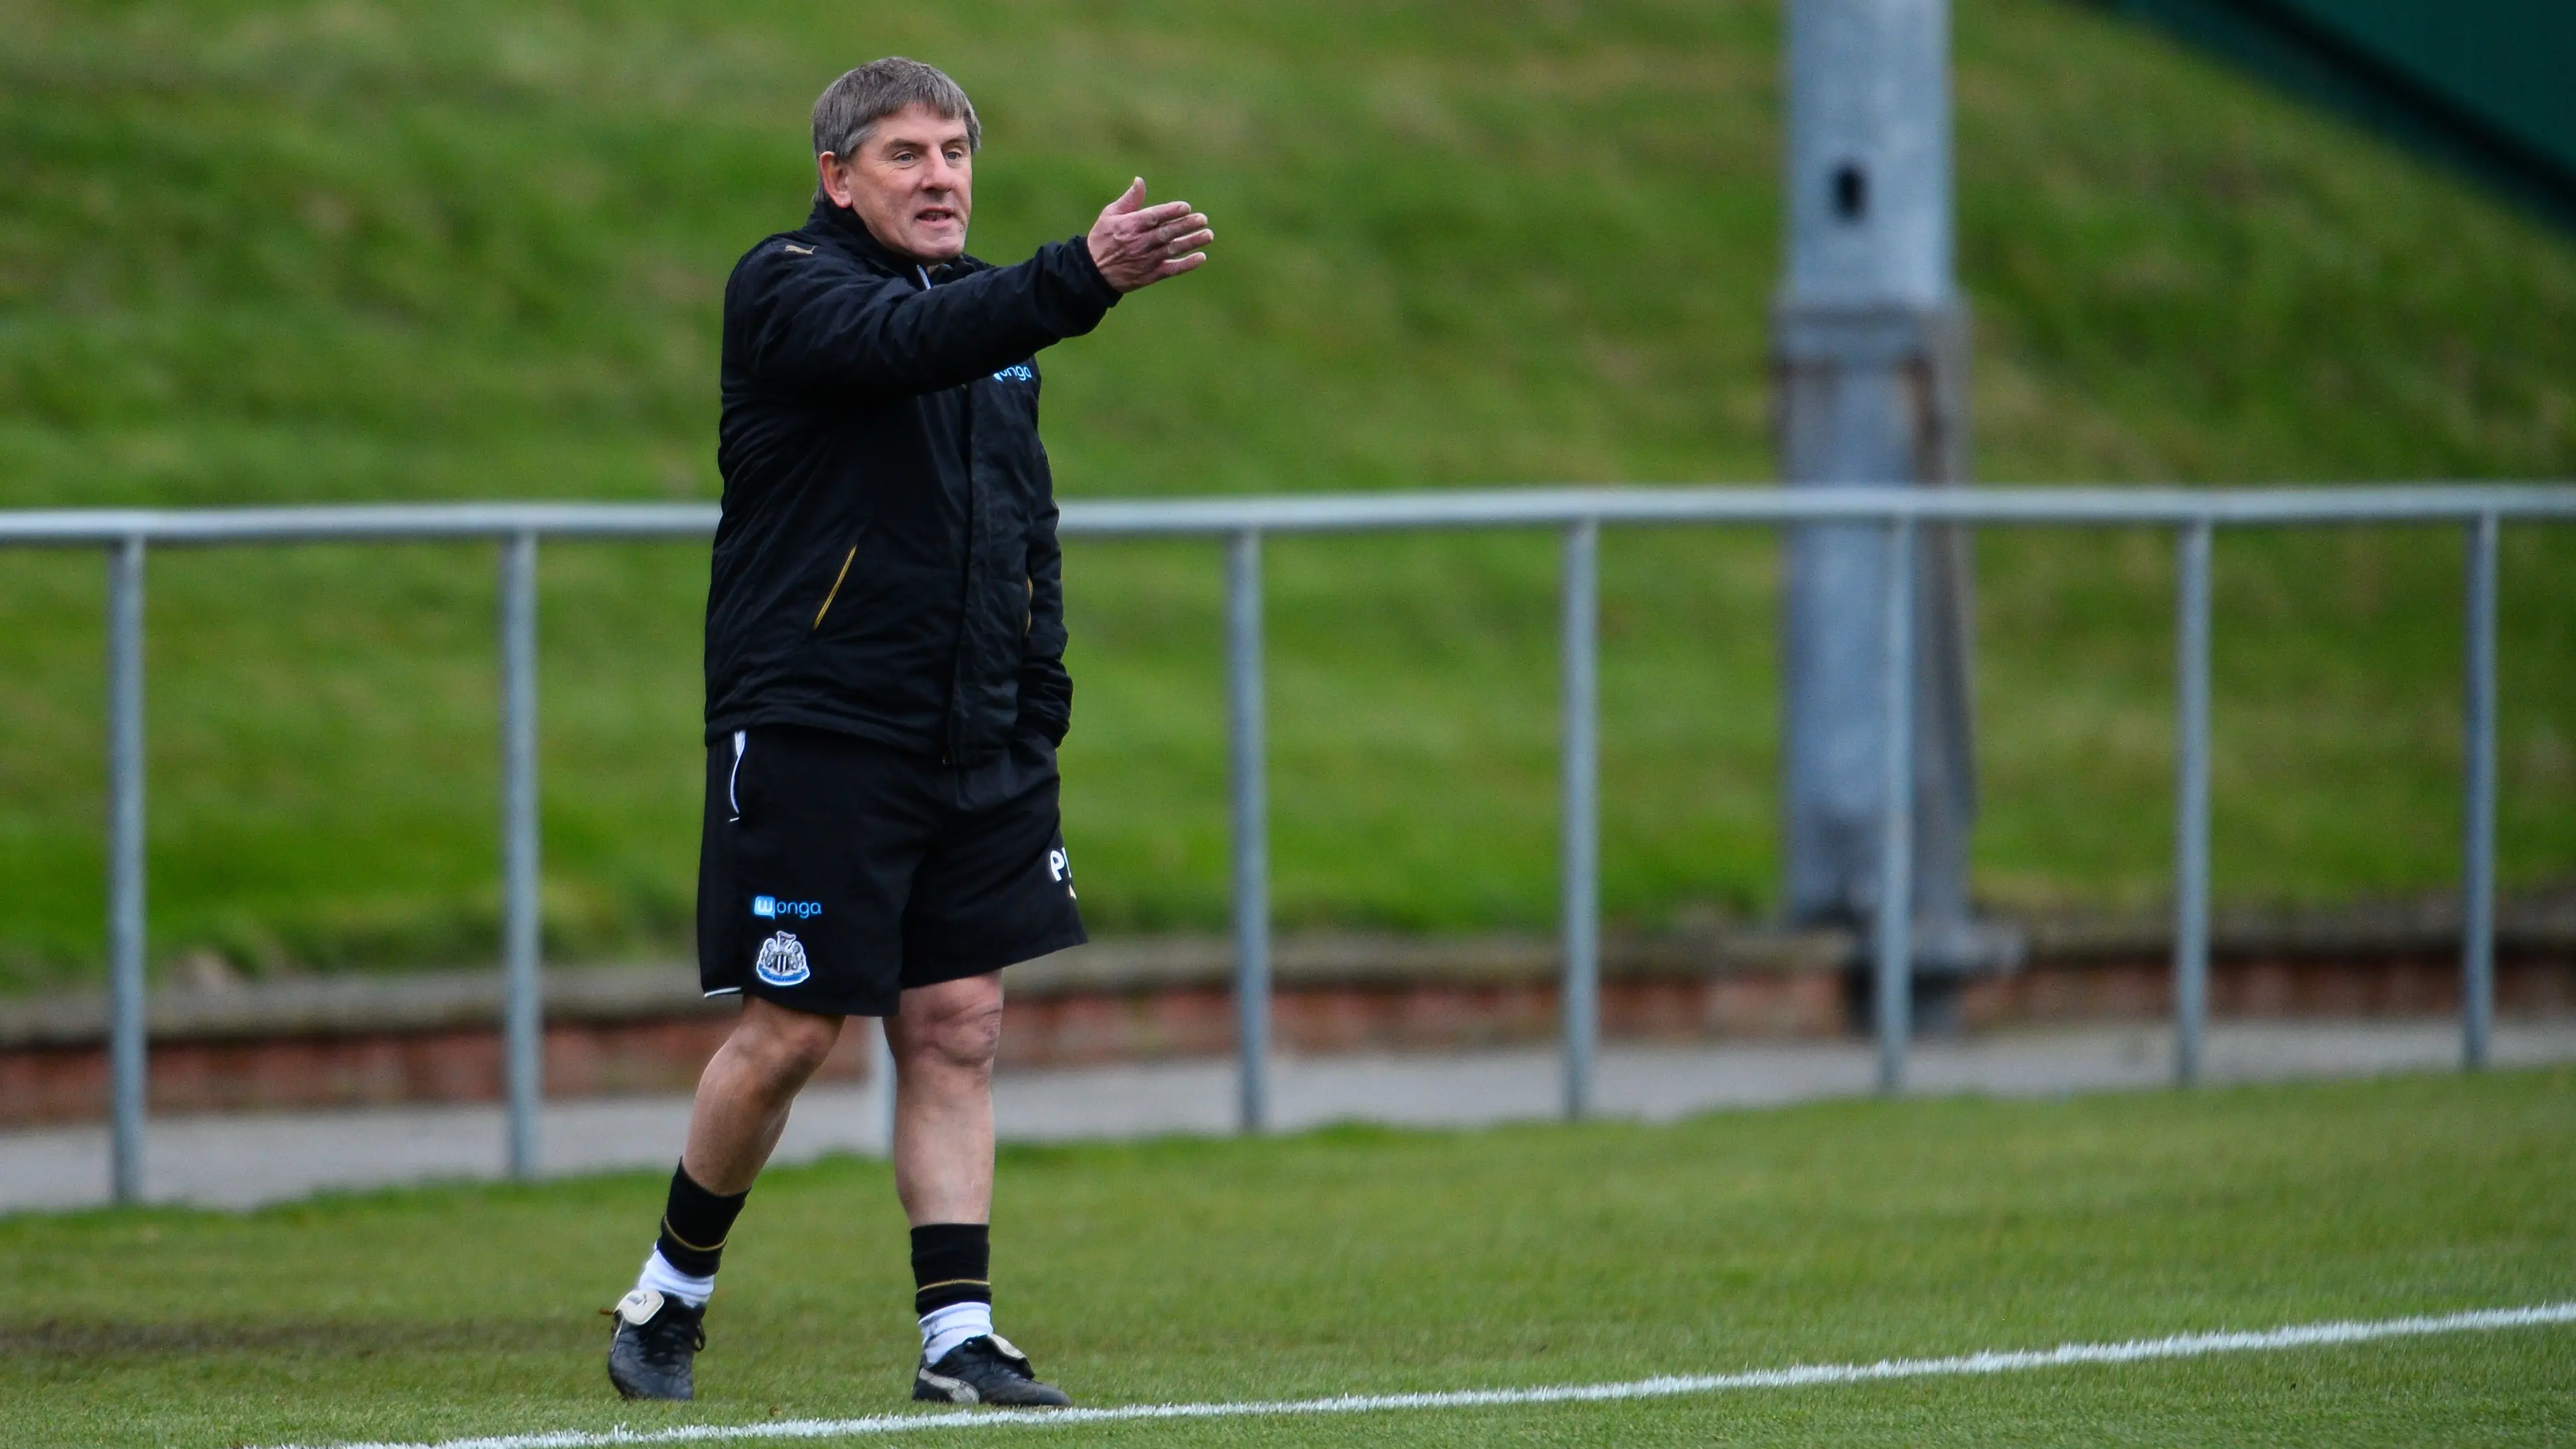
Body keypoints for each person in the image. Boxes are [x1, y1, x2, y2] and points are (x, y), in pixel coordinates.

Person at [603, 57, 1211, 1407]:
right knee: (793, 1028)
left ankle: (957, 1338)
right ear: (836, 177)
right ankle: (671, 1290)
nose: (939, 175)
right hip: (822, 724)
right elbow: (895, 345)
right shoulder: (785, 287)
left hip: (979, 740)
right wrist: (1080, 279)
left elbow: (1021, 525)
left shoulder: (994, 324)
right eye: (904, 154)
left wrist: (1036, 696)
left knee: (957, 1025)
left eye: (953, 151)